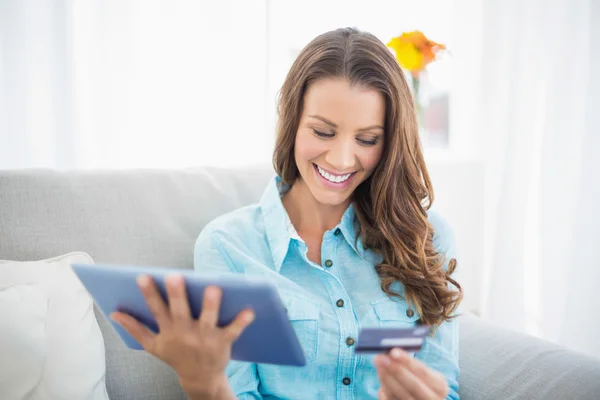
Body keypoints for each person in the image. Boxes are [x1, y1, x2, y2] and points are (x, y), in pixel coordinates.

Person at [110, 27, 463, 400]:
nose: (342, 159)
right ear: (290, 120)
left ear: (390, 141)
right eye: (323, 132)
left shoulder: (427, 239)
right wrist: (204, 385)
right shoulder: (230, 246)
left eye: (367, 139)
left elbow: (445, 388)